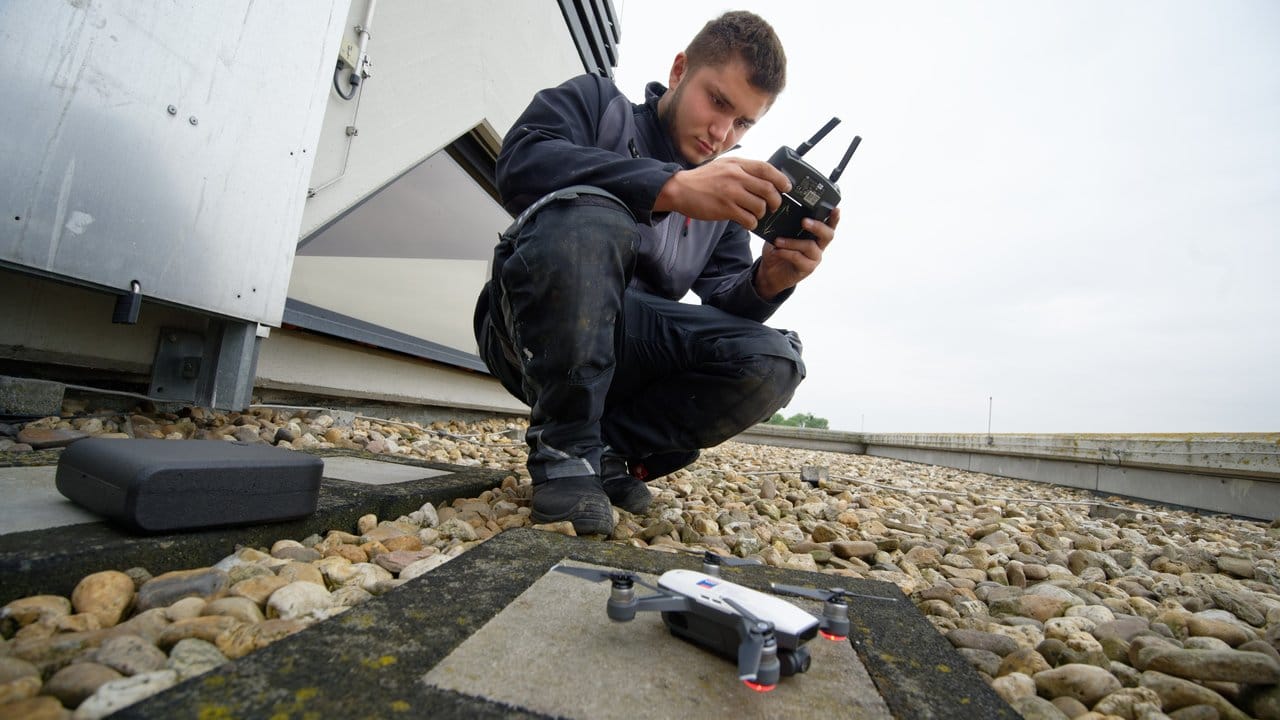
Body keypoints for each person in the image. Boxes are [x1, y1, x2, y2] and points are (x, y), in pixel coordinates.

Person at [473, 10, 839, 536]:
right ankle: (564, 449)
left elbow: (724, 311)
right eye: (717, 101)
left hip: (629, 346)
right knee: (591, 214)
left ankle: (607, 449)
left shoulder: (726, 202)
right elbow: (521, 162)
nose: (722, 134)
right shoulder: (597, 103)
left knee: (775, 360)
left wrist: (769, 281)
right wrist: (670, 187)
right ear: (679, 70)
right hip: (528, 323)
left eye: (743, 123)